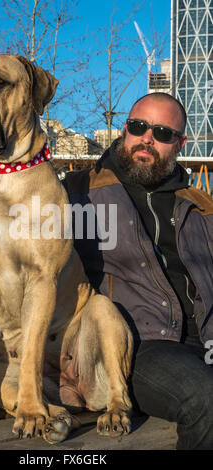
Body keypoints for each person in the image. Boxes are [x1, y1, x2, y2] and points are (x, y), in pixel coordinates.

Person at [63, 92, 213, 450]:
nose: (147, 138)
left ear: (180, 143)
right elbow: (15, 235)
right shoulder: (77, 193)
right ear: (124, 129)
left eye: (162, 132)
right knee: (206, 397)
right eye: (138, 126)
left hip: (205, 340)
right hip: (135, 345)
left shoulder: (200, 204)